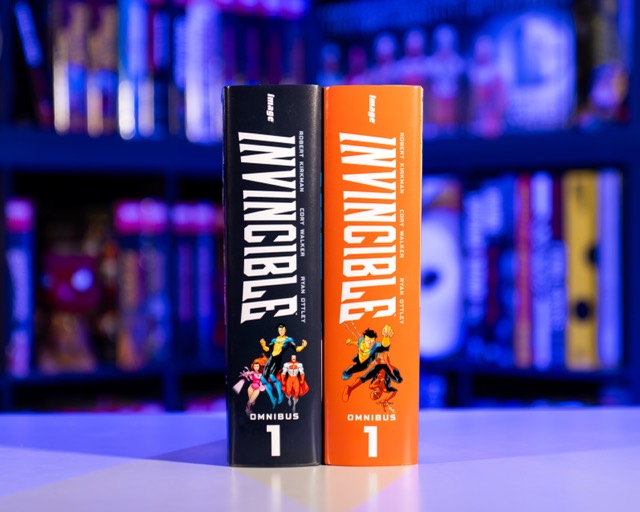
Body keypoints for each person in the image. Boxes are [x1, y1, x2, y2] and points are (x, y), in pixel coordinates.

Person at [260, 323, 307, 408]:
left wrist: (303, 346)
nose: (281, 331)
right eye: (279, 330)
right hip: (271, 358)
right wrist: (263, 344)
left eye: (282, 330)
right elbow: (267, 349)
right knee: (263, 379)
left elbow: (296, 349)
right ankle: (272, 399)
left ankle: (280, 394)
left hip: (278, 359)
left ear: (285, 330)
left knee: (272, 376)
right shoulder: (274, 340)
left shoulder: (288, 340)